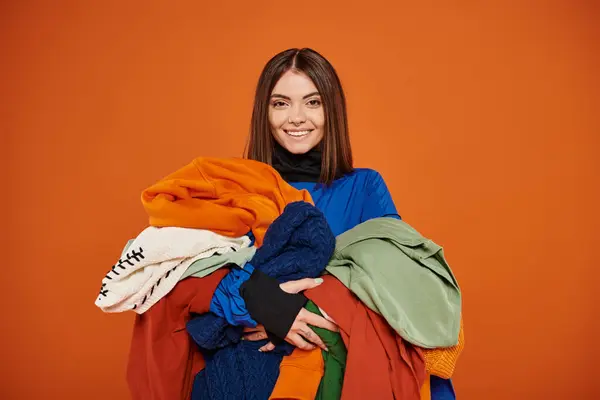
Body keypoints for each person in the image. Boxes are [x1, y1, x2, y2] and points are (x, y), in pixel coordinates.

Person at [239, 47, 456, 399]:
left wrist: (294, 305)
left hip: (350, 368)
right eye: (281, 103)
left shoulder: (365, 186)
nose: (296, 117)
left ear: (332, 111)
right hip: (260, 370)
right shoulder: (235, 188)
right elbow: (203, 281)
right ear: (263, 112)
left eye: (312, 102)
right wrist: (261, 303)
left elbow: (396, 283)